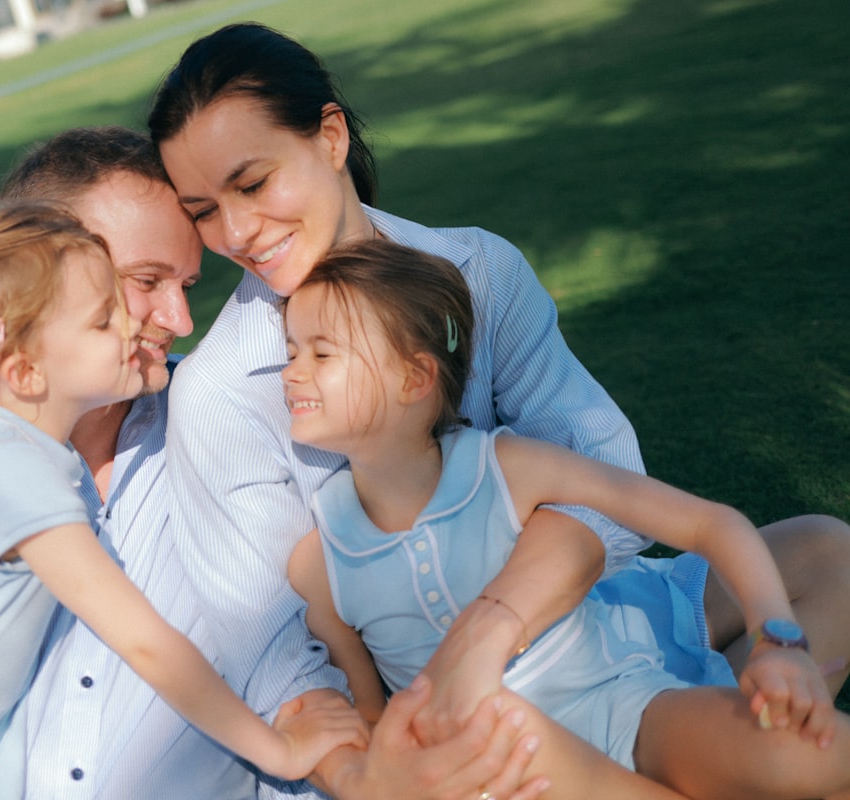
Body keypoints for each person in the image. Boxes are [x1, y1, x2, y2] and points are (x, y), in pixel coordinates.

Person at [0, 128, 547, 800]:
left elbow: (290, 637)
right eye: (139, 283)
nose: (176, 320)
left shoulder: (212, 423)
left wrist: (358, 766)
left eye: (187, 286)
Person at [146, 21, 850, 791]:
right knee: (551, 738)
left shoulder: (479, 269)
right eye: (203, 210)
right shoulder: (221, 395)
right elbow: (281, 661)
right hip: (464, 714)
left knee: (827, 554)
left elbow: (606, 466)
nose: (236, 232)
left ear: (331, 137)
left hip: (590, 631)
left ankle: (702, 745)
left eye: (252, 184)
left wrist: (495, 621)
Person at [0, 201, 370, 796]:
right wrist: (282, 751)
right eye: (100, 321)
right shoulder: (10, 474)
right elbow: (148, 645)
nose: (132, 330)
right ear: (24, 370)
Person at [285, 239, 850, 800]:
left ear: (414, 378)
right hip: (505, 773)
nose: (291, 374)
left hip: (627, 707)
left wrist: (776, 643)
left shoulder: (504, 467)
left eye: (321, 354)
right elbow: (373, 717)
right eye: (290, 352)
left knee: (807, 755)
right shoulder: (319, 563)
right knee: (505, 726)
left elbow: (709, 524)